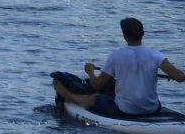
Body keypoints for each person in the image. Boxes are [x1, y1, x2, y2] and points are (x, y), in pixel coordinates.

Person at [53, 18, 185, 119]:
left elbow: (97, 86)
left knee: (94, 97)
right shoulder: (157, 55)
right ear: (143, 34)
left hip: (125, 110)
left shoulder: (116, 56)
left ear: (124, 35)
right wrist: (173, 75)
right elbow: (180, 77)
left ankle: (69, 96)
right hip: (152, 109)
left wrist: (91, 72)